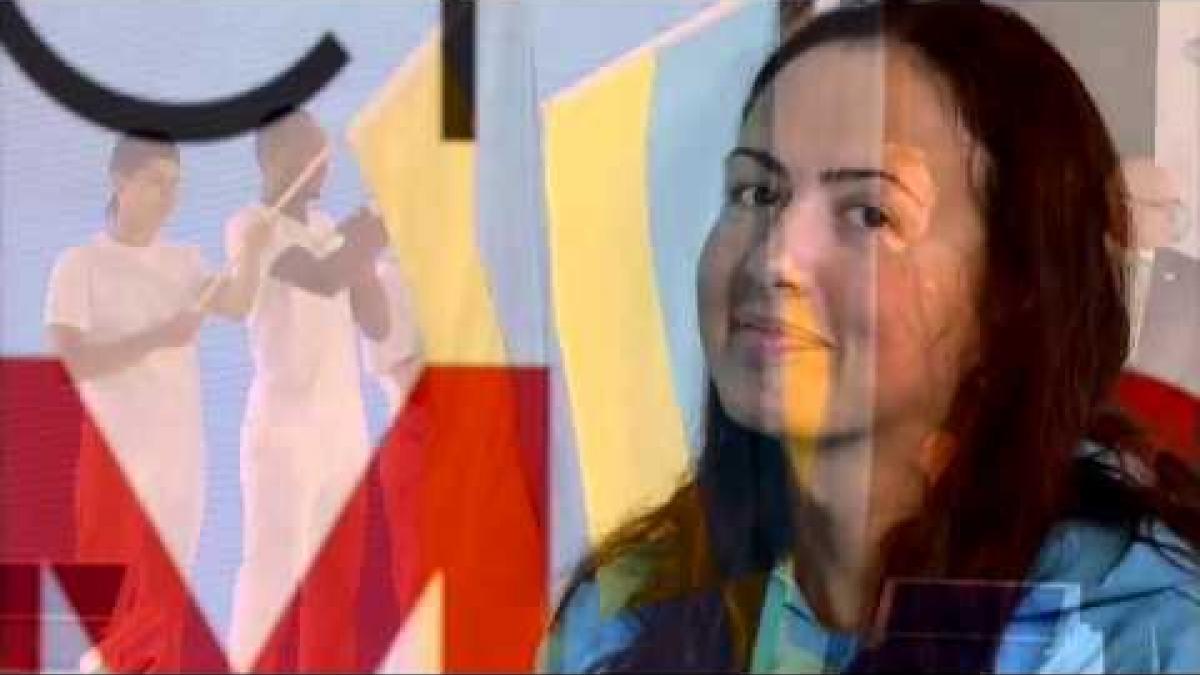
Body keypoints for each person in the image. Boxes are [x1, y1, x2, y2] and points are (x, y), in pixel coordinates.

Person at [542, 2, 1200, 672]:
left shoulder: (1141, 634)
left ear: (1013, 290)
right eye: (755, 194)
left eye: (868, 212)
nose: (774, 259)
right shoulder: (623, 618)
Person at [44, 135, 269, 672]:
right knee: (110, 612)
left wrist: (256, 251)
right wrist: (159, 336)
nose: (168, 197)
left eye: (175, 186)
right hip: (114, 463)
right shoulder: (82, 265)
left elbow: (237, 305)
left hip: (178, 462)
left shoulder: (184, 261)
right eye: (155, 182)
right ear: (120, 181)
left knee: (164, 609)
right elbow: (72, 361)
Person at [226, 109, 390, 671]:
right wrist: (370, 230)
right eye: (309, 153)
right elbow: (320, 279)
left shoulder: (329, 231)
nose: (322, 166)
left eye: (325, 153)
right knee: (274, 576)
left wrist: (364, 251)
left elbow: (378, 323)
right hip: (284, 432)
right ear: (274, 159)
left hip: (343, 432)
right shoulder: (253, 226)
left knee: (338, 584)